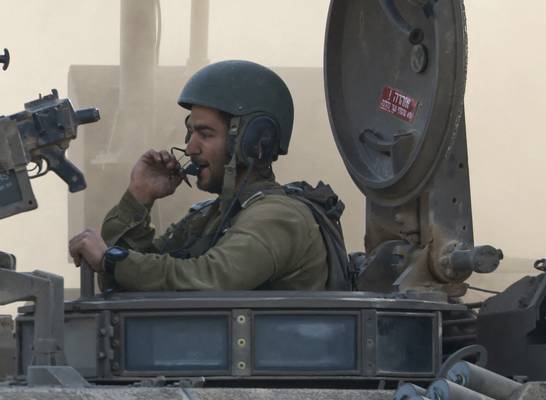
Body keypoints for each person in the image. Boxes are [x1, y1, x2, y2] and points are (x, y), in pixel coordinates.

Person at [67, 59, 341, 292]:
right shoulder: (212, 216)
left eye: (206, 134)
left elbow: (210, 279)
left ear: (251, 141)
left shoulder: (279, 217)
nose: (190, 147)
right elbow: (128, 283)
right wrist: (138, 199)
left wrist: (111, 260)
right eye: (191, 133)